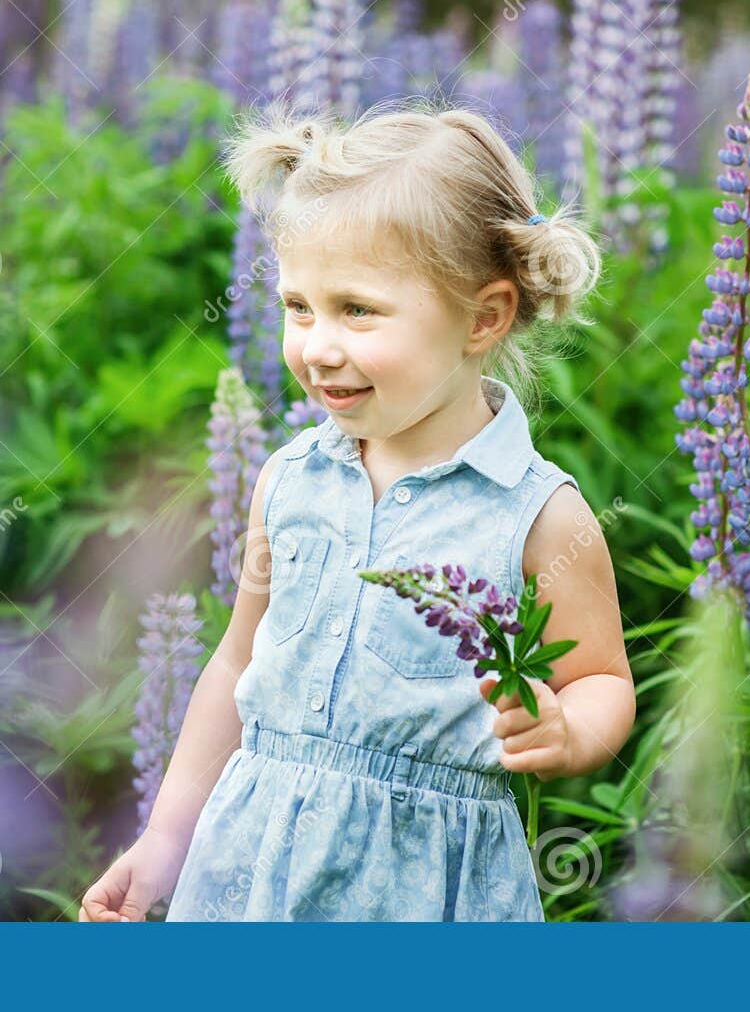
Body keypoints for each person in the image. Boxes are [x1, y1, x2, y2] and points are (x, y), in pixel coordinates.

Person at [79, 99, 634, 921]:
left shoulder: (538, 513)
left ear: (484, 317)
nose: (317, 345)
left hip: (421, 887)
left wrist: (570, 732)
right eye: (297, 307)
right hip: (253, 866)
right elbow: (237, 665)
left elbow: (600, 676)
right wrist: (165, 839)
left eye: (357, 309)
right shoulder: (289, 479)